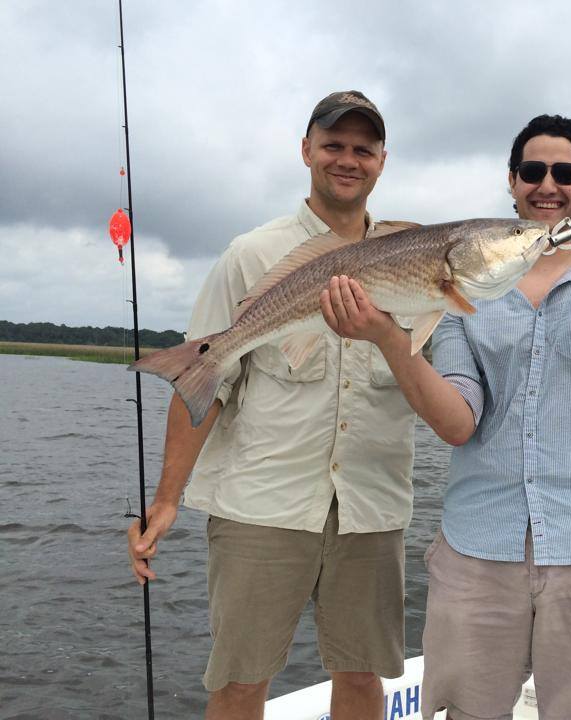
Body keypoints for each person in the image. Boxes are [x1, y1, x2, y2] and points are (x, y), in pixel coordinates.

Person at [318, 114, 571, 720]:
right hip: (478, 544)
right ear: (512, 181)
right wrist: (384, 336)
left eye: (565, 173)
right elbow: (458, 422)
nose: (548, 185)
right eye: (533, 171)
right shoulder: (458, 292)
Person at [126, 90, 418, 720]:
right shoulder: (251, 254)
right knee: (238, 682)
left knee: (364, 677)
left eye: (362, 149)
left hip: (370, 506)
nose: (348, 159)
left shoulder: (415, 257)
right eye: (334, 144)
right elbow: (202, 380)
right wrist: (168, 499)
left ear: (382, 161)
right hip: (262, 504)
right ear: (306, 150)